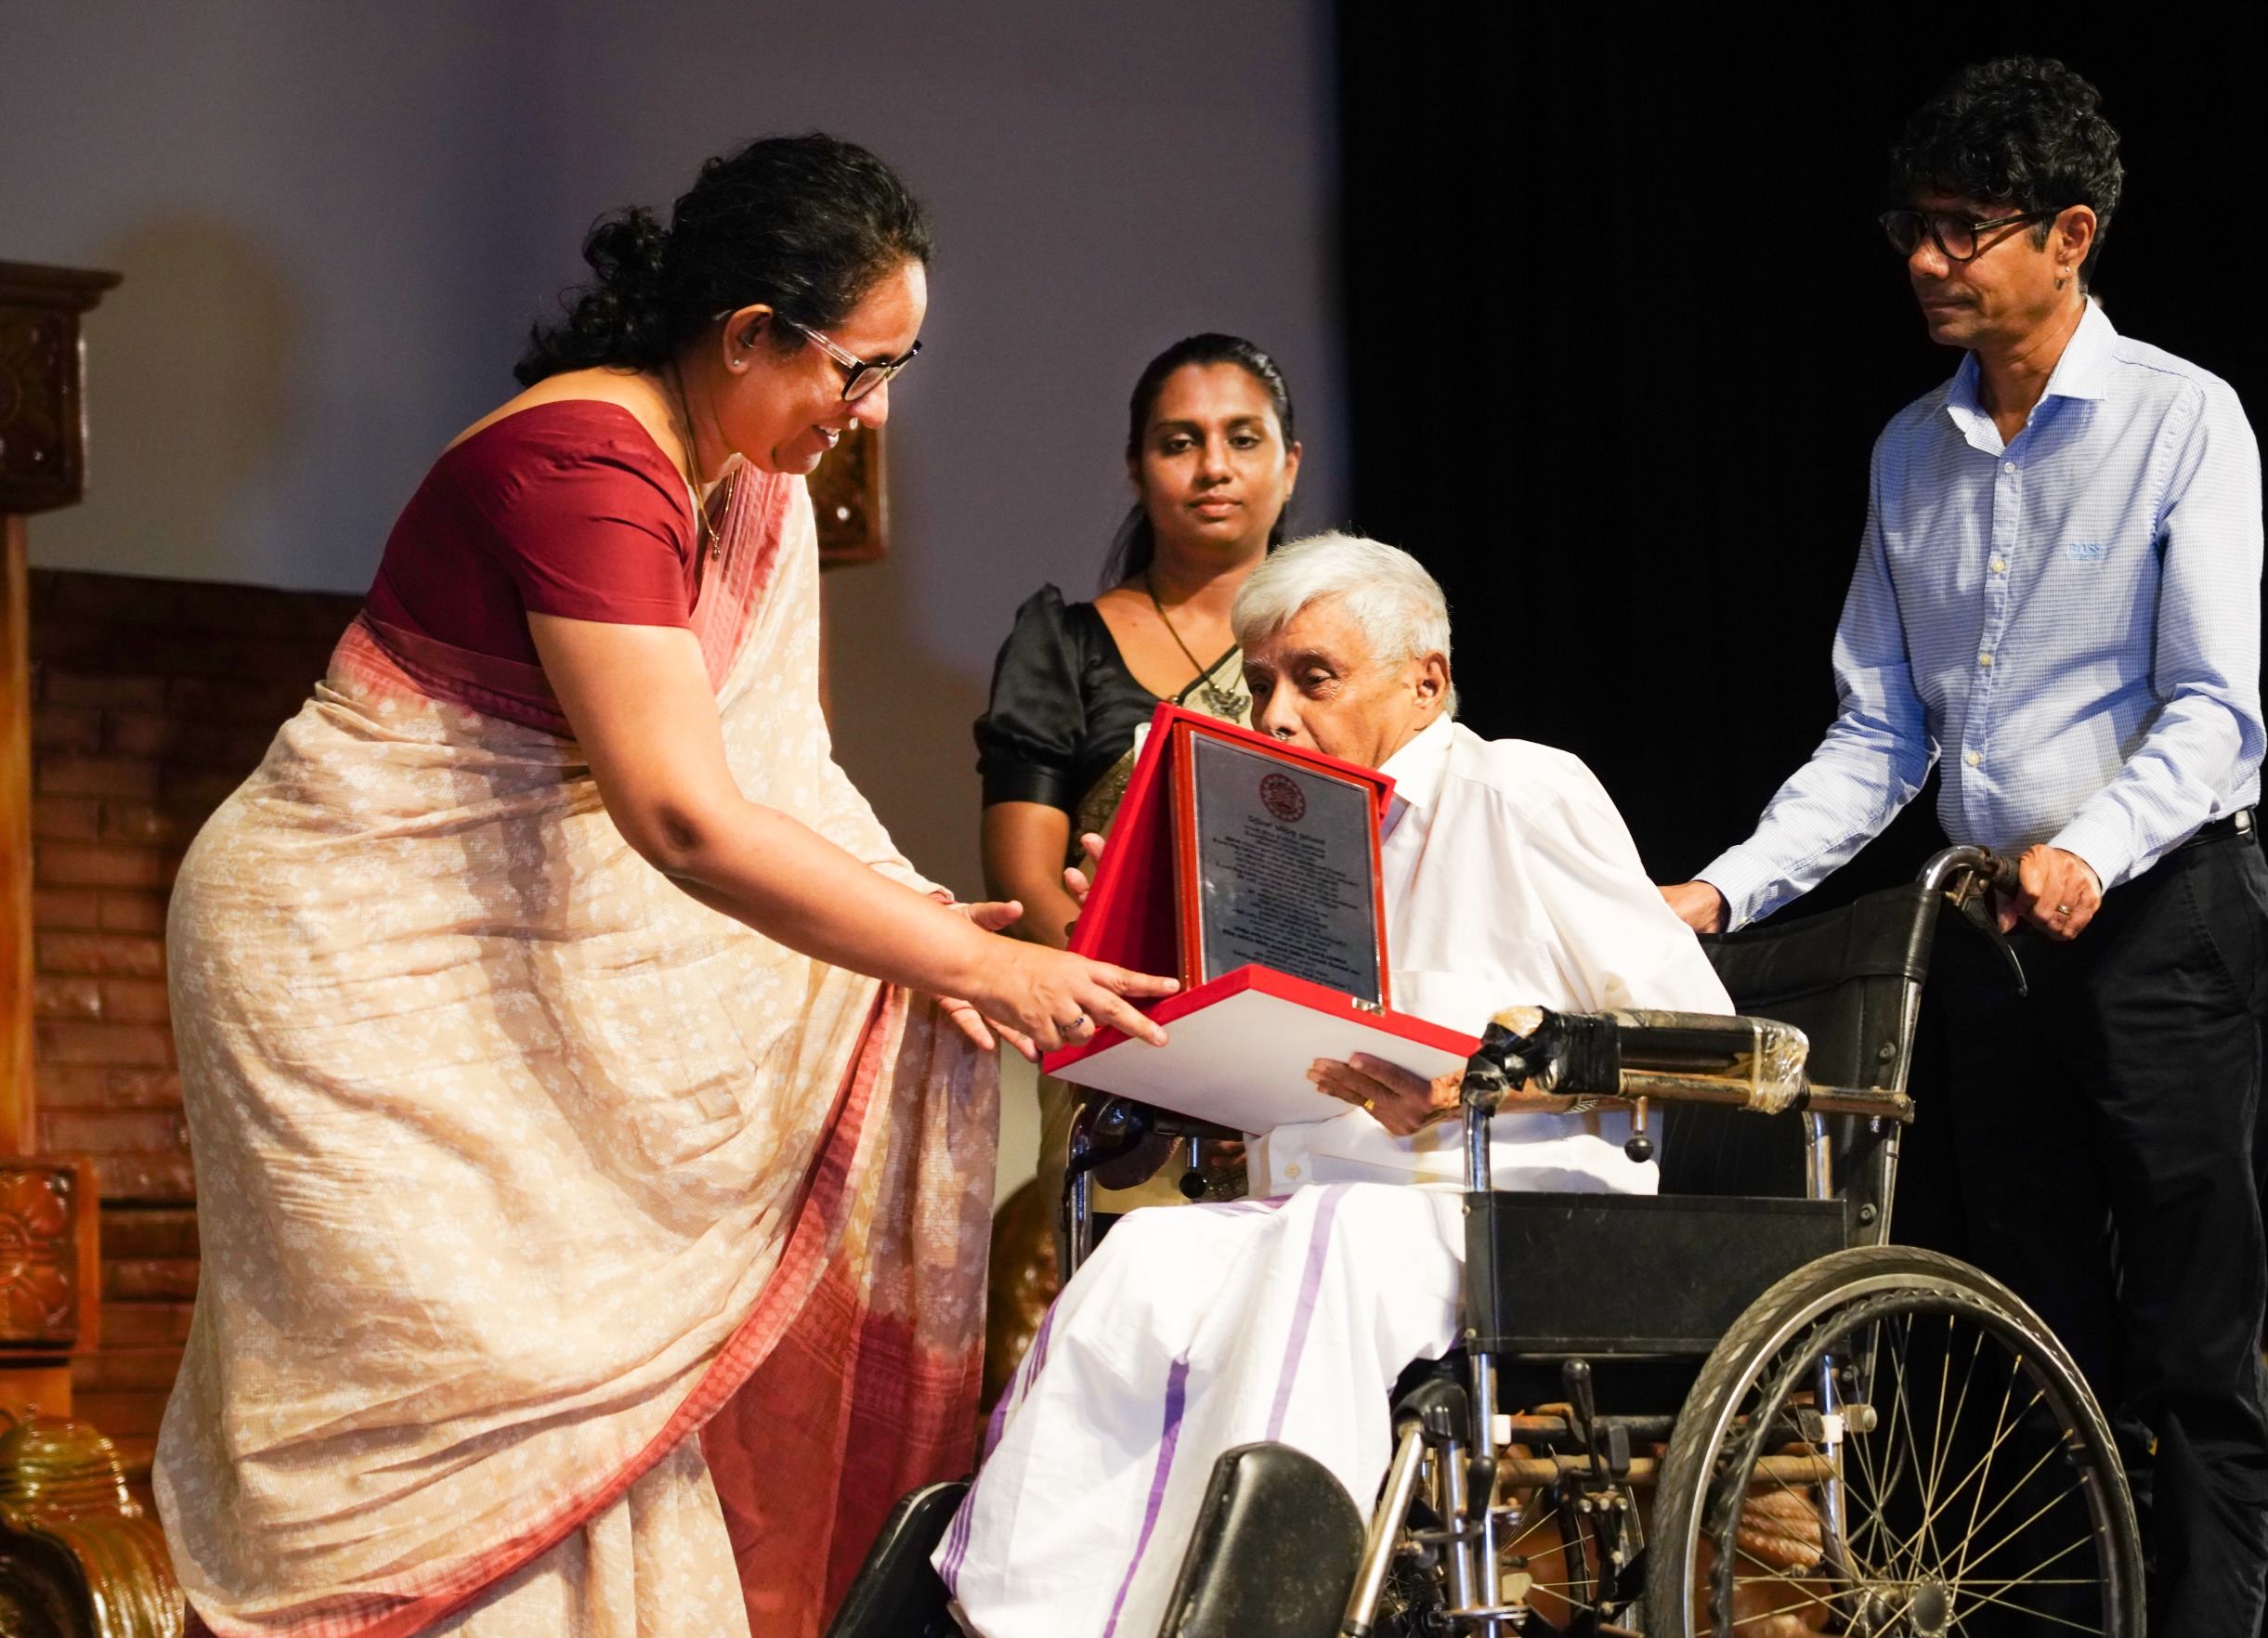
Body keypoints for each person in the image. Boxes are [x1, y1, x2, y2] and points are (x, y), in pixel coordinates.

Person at [156, 135, 1175, 1638]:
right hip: (347, 969)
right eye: (859, 367)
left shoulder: (741, 482)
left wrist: (919, 929)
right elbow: (688, 816)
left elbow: (784, 775)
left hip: (498, 962)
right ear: (750, 332)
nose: (874, 412)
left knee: (599, 1394)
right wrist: (971, 962)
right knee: (456, 1395)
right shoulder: (585, 469)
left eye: (898, 369)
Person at [1661, 59, 2268, 1635]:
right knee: (2037, 1335)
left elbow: (2216, 710)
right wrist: (1723, 890)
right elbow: (1880, 734)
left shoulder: (2183, 418)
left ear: (2070, 235)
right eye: (1914, 228)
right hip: (1996, 941)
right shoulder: (1909, 452)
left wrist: (2096, 844)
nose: (1929, 261)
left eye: (1965, 229)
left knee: (2195, 1340)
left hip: (2168, 918)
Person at [935, 535, 1728, 1638]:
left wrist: (1480, 1082)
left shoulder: (1517, 789)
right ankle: (1019, 1613)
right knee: (1148, 1258)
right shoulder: (1285, 843)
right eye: (1261, 683)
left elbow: (1701, 1038)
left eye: (1313, 679)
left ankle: (1258, 1612)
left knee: (1333, 1240)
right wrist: (1140, 938)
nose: (1273, 716)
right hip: (1338, 1194)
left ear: (1426, 681)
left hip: (1526, 1207)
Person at [971, 334, 1302, 1380]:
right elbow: (1023, 874)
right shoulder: (1065, 646)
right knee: (1132, 1358)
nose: (1213, 468)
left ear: (1289, 464)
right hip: (1126, 1048)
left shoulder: (1339, 651)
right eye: (1179, 442)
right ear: (1135, 466)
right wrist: (1140, 1007)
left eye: (1242, 439)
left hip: (1309, 1048)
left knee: (1299, 1338)